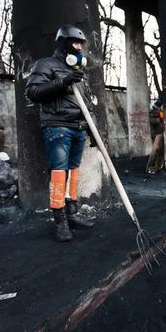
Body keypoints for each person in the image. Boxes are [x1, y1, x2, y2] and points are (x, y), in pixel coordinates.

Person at [25, 24, 96, 242]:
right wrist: (61, 82)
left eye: (81, 44)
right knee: (59, 172)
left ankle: (72, 214)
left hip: (78, 127)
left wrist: (91, 128)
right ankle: (60, 221)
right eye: (76, 43)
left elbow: (84, 103)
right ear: (64, 43)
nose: (80, 47)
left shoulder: (77, 70)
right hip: (57, 127)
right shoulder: (45, 64)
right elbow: (33, 92)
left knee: (74, 171)